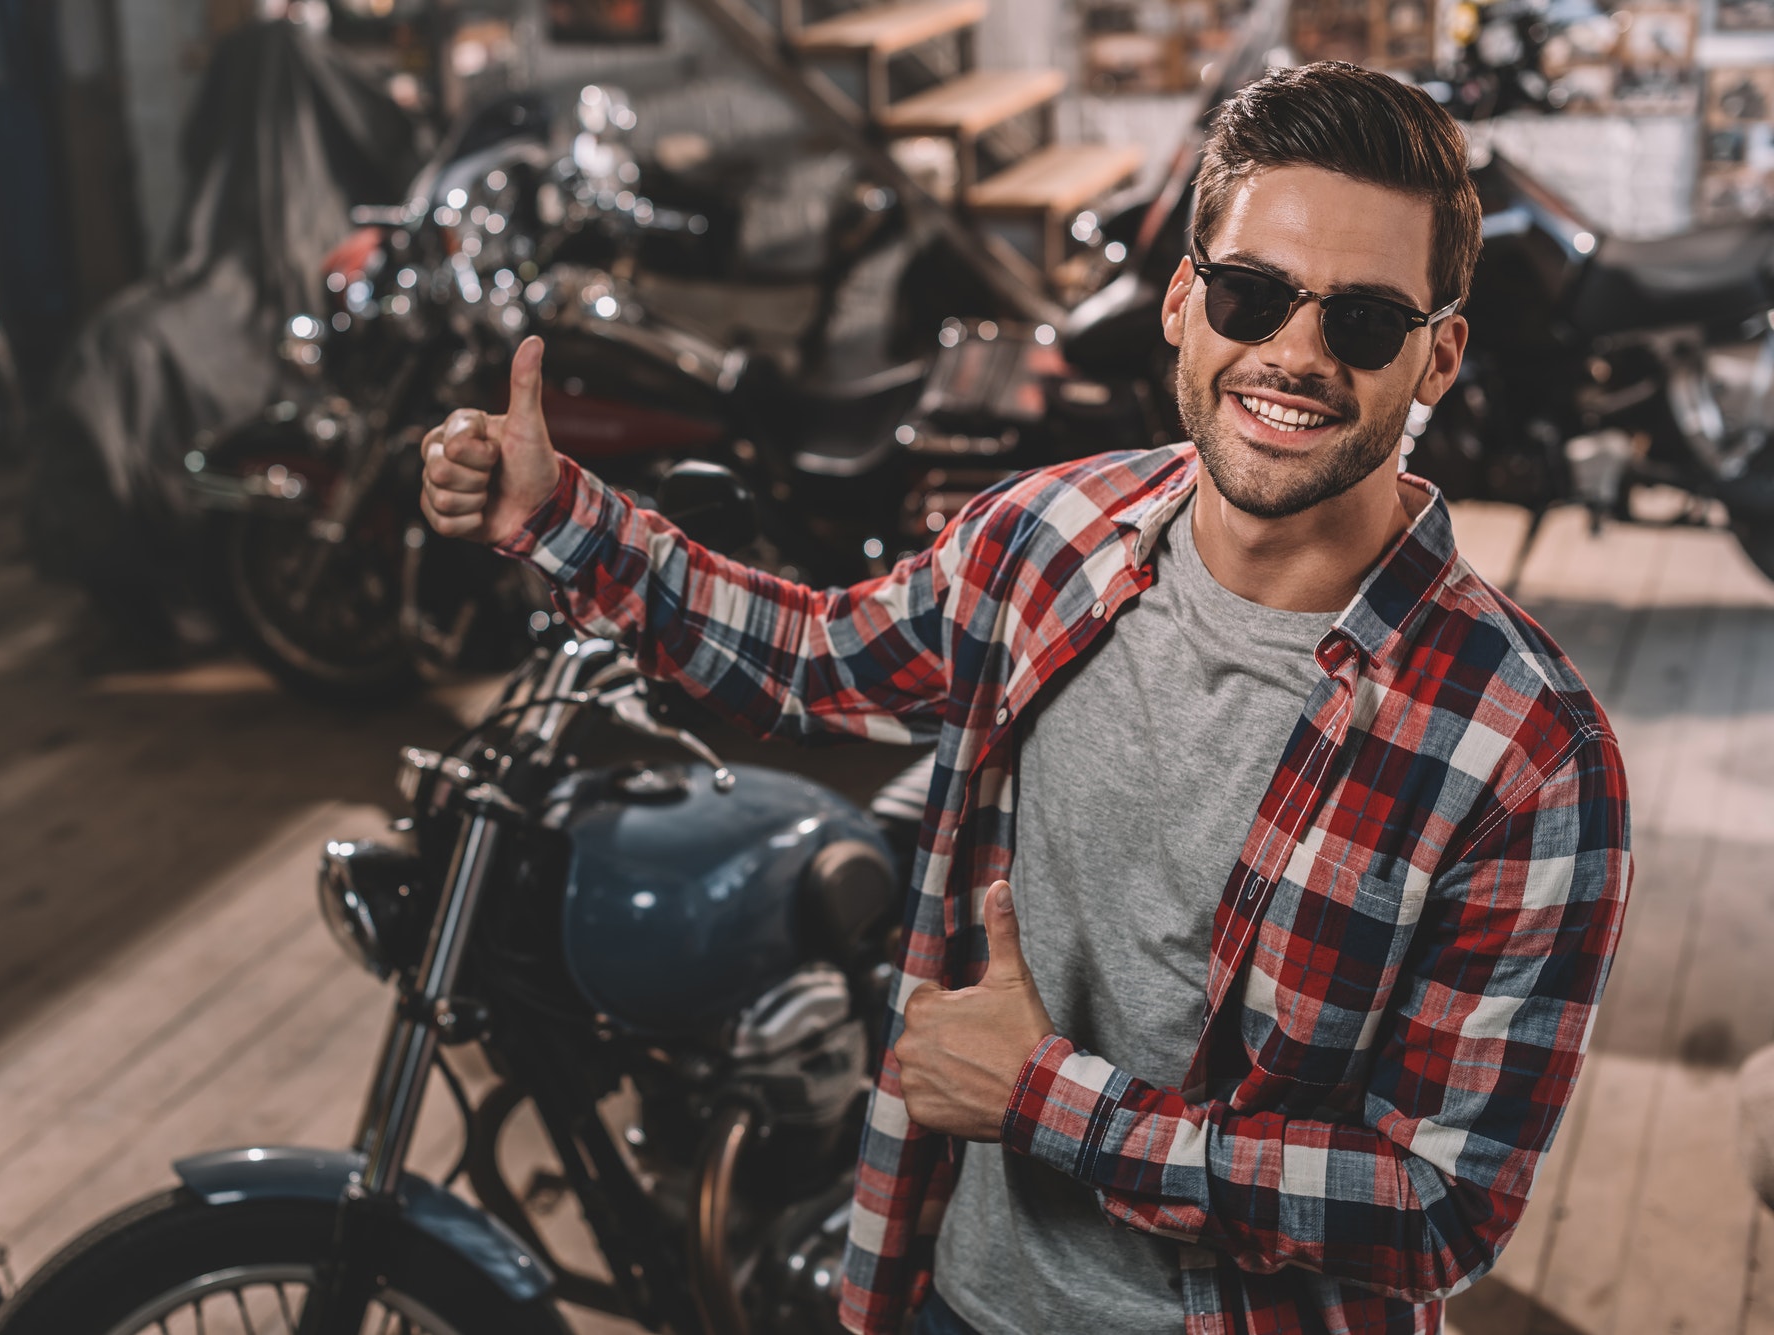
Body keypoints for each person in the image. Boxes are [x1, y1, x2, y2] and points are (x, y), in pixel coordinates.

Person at [419, 62, 1631, 1335]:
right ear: (1181, 303)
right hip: (952, 1297)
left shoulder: (1527, 756)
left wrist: (1049, 1104)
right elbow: (816, 658)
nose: (1293, 353)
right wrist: (560, 519)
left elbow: (1441, 1209)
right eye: (1249, 294)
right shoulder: (1046, 536)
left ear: (1435, 358)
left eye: (1365, 322)